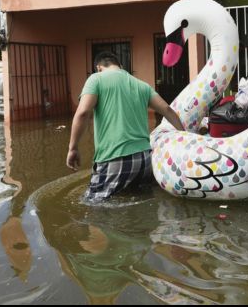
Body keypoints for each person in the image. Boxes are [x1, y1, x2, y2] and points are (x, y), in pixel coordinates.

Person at [66, 51, 185, 201]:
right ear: (121, 66)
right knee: (140, 201)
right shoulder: (142, 85)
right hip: (145, 160)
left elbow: (83, 113)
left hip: (115, 158)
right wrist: (184, 135)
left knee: (92, 205)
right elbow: (167, 110)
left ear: (98, 67)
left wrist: (73, 148)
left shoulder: (96, 79)